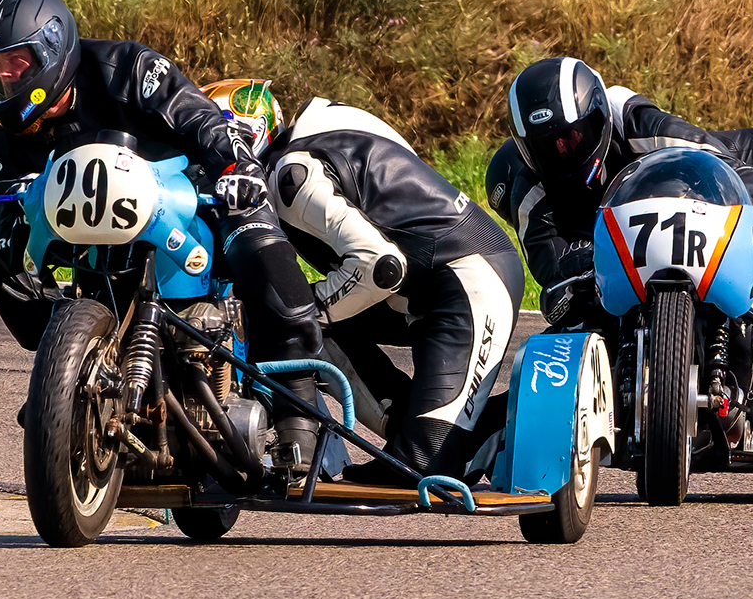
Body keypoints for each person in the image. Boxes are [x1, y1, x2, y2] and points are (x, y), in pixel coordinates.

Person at [0, 0, 328, 467]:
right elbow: (11, 194)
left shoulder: (129, 69)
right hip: (96, 235)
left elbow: (202, 121)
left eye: (15, 61)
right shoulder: (2, 137)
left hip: (186, 199)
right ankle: (64, 365)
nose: (2, 77)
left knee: (254, 235)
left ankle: (295, 409)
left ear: (51, 48)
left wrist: (235, 169)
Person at [485, 56, 753, 393]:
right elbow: (557, 289)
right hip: (660, 233)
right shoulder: (529, 194)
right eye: (547, 146)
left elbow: (745, 176)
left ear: (599, 115)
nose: (563, 152)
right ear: (524, 149)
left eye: (573, 136)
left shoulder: (640, 126)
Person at [210, 79, 524, 485]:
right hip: (422, 286)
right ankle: (407, 427)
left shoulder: (292, 175)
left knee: (429, 467)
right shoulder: (310, 141)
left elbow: (380, 265)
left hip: (469, 277)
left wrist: (308, 314)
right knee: (296, 318)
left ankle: (531, 419)